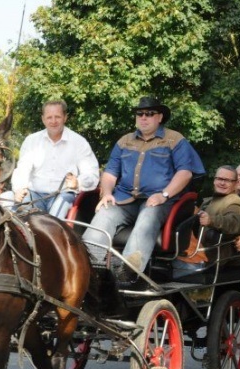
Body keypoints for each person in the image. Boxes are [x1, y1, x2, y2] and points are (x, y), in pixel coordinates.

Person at [82, 96, 206, 279]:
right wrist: (107, 193)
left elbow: (185, 173)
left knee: (148, 215)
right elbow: (110, 173)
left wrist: (164, 194)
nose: (144, 117)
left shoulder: (174, 139)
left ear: (160, 117)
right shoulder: (124, 141)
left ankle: (126, 272)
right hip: (125, 199)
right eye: (140, 114)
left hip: (161, 201)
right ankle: (90, 269)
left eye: (149, 114)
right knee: (104, 213)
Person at [11, 100, 100, 219]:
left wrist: (78, 182)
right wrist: (19, 189)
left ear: (65, 117)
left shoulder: (79, 142)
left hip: (63, 194)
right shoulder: (31, 141)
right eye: (49, 117)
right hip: (34, 194)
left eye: (57, 117)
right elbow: (22, 169)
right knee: (18, 217)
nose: (53, 121)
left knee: (53, 222)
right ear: (43, 119)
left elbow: (92, 175)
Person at [172, 166, 240, 277]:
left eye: (227, 180)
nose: (222, 183)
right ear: (214, 180)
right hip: (200, 253)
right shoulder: (209, 201)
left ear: (236, 183)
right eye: (219, 179)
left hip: (213, 258)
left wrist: (211, 220)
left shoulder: (236, 202)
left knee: (167, 265)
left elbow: (235, 223)